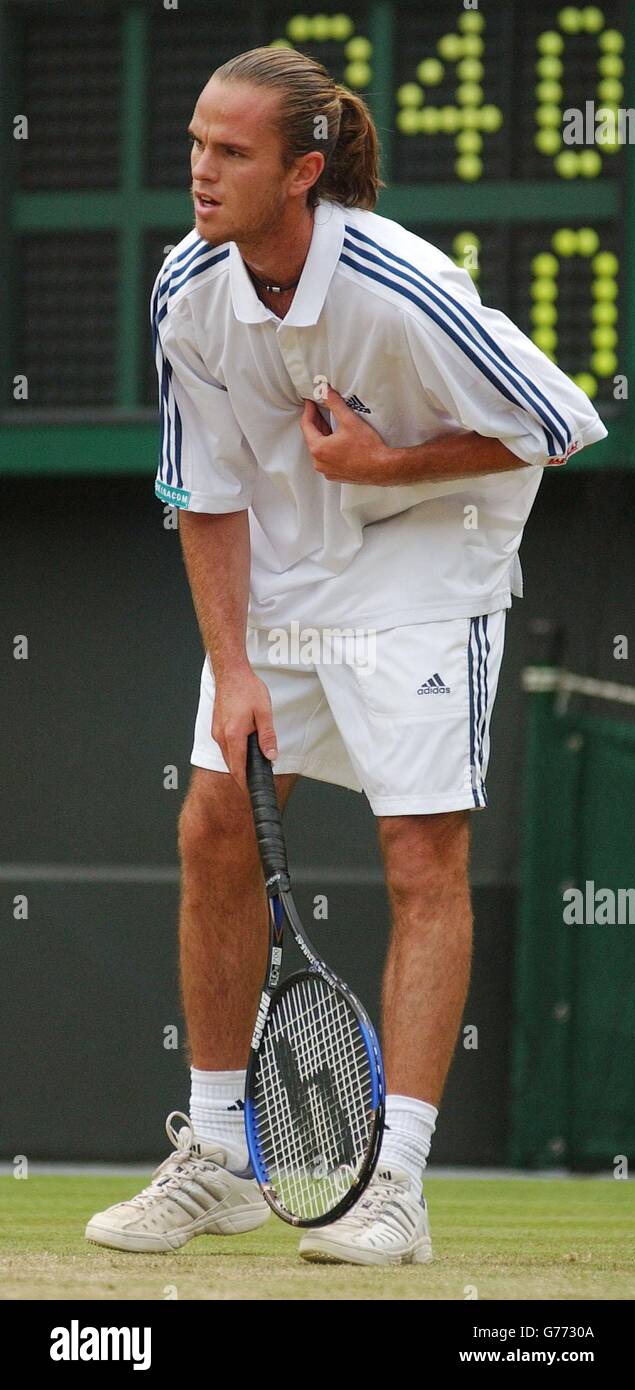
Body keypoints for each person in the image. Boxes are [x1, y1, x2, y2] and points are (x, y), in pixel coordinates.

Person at [86, 46, 607, 1265]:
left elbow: (562, 420)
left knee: (419, 847)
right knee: (212, 825)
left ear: (303, 172)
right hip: (281, 577)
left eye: (231, 153)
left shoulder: (399, 284)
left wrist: (386, 468)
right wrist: (236, 667)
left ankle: (398, 1188)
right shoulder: (186, 288)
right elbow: (203, 489)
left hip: (431, 563)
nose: (201, 173)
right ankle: (216, 1154)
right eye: (195, 146)